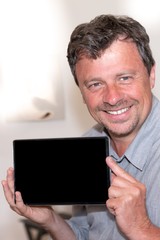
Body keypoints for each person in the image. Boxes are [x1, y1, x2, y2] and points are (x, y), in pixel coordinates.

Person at [2, 14, 160, 240]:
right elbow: (84, 235)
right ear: (82, 93)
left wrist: (141, 228)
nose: (112, 98)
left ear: (151, 75)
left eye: (124, 78)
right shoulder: (88, 147)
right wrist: (51, 220)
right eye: (95, 84)